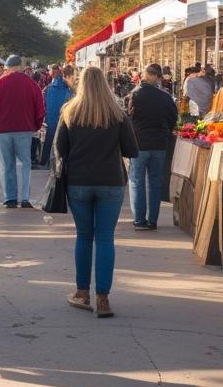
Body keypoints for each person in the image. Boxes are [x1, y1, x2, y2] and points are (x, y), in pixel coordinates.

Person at [56, 65, 138, 319]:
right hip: (110, 181)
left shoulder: (70, 112)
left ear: (81, 84)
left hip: (79, 181)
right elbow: (131, 150)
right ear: (105, 84)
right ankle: (103, 298)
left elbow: (60, 149)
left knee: (84, 236)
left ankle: (82, 292)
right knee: (105, 238)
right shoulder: (117, 113)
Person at [0, 55, 46, 209]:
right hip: (24, 128)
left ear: (7, 67)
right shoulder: (31, 84)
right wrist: (36, 125)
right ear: (21, 66)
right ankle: (25, 198)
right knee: (25, 163)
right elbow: (40, 108)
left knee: (6, 164)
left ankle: (10, 198)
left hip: (2, 130)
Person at [127, 63, 178, 231]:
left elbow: (129, 118)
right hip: (159, 144)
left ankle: (139, 220)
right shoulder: (165, 97)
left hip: (139, 144)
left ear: (144, 75)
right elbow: (173, 119)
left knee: (136, 181)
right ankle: (153, 220)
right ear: (157, 77)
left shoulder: (134, 95)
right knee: (155, 182)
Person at [40, 64, 73, 170]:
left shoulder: (52, 87)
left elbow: (47, 104)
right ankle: (54, 162)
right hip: (59, 117)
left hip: (53, 117)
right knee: (60, 140)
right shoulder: (66, 89)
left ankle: (45, 161)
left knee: (50, 140)